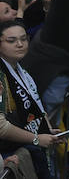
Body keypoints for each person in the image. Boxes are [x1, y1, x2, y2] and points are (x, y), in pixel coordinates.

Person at [0, 20, 54, 179]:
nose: (19, 44)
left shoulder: (20, 67)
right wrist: (37, 139)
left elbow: (34, 101)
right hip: (8, 148)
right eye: (12, 41)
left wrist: (46, 128)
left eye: (23, 39)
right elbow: (1, 127)